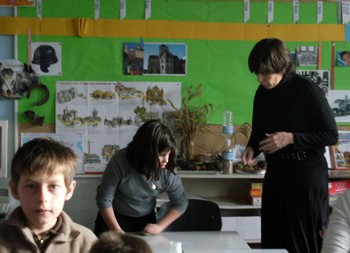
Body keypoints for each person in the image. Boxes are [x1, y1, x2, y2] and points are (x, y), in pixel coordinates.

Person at [241, 38, 338, 253]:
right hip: (276, 175)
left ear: (282, 66)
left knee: (300, 242)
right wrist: (252, 149)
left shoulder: (307, 90)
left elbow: (331, 135)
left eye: (265, 73)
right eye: (257, 73)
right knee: (273, 239)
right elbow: (259, 131)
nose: (260, 79)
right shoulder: (262, 93)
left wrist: (291, 138)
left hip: (305, 177)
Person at [0, 138, 97, 252]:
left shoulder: (86, 242)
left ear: (69, 190)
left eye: (53, 186)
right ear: (15, 190)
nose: (42, 198)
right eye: (31, 186)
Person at [94, 119, 188, 236]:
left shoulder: (167, 170)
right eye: (162, 155)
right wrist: (117, 230)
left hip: (145, 220)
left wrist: (160, 226)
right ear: (147, 152)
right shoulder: (120, 161)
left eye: (169, 154)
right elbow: (104, 198)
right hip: (113, 217)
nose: (167, 160)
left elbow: (181, 202)